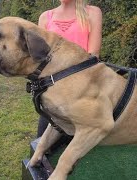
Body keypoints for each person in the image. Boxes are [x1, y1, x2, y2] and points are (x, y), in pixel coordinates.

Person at [36, 0, 102, 137]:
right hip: (51, 93)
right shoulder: (45, 17)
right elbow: (40, 58)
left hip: (81, 91)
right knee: (44, 146)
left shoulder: (93, 13)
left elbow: (93, 56)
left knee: (80, 144)